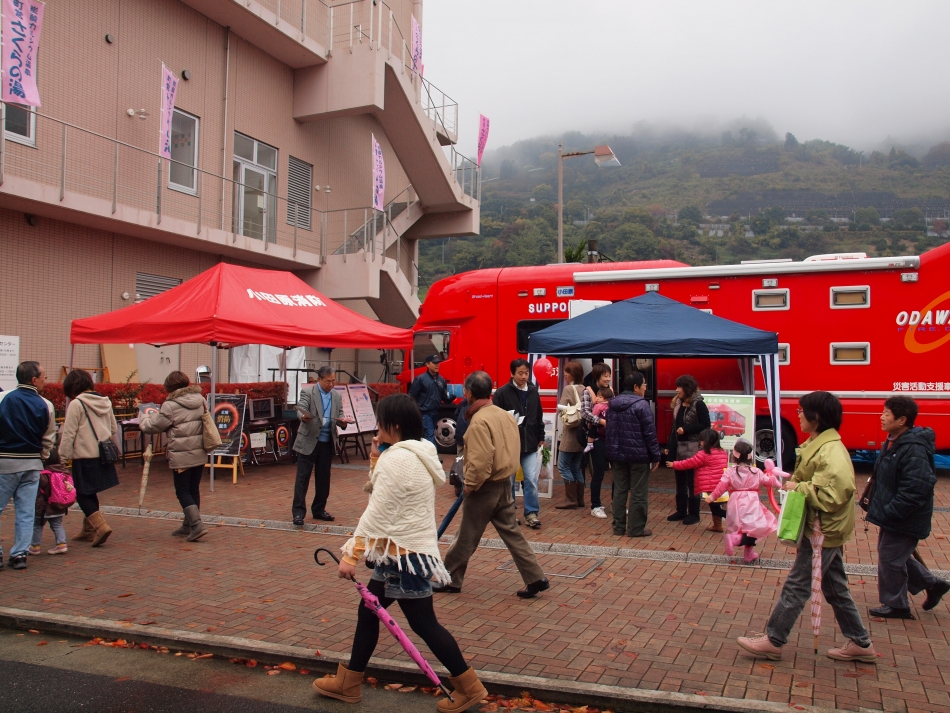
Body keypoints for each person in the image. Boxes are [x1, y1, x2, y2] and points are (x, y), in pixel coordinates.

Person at [313, 394, 487, 713]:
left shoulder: (398, 460)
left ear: (392, 425)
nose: (377, 429)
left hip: (402, 556)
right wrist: (377, 459)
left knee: (424, 623)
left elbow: (377, 512)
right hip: (406, 551)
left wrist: (352, 554)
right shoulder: (418, 452)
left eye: (380, 424)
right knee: (369, 612)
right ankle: (349, 682)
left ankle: (469, 686)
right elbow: (384, 495)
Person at [738, 391, 876, 663]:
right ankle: (860, 642)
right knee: (834, 586)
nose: (798, 413)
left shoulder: (831, 451)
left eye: (802, 410)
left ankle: (774, 638)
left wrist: (797, 486)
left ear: (817, 417)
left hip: (822, 530)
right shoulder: (822, 444)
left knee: (799, 583)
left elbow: (833, 494)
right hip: (825, 529)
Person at [434, 371, 549, 598]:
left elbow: (480, 462)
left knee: (466, 535)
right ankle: (535, 576)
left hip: (484, 487)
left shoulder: (478, 422)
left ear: (468, 393)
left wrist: (470, 485)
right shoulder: (504, 415)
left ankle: (450, 578)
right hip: (504, 483)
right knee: (512, 533)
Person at [865, 396, 949, 618]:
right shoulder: (894, 440)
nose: (881, 417)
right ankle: (933, 584)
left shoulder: (913, 448)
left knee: (890, 557)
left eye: (886, 413)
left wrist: (892, 511)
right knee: (893, 555)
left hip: (905, 516)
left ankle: (898, 605)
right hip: (894, 513)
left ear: (902, 420)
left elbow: (916, 488)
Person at [140, 371, 210, 542]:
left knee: (182, 490)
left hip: (181, 453)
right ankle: (189, 525)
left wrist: (144, 419)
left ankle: (196, 524)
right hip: (199, 450)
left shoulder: (170, 405)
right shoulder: (200, 399)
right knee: (193, 488)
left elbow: (155, 425)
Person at [0, 361, 57, 570]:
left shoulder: (3, 398)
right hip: (32, 462)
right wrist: (40, 457)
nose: (46, 380)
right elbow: (49, 438)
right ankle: (19, 554)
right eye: (44, 376)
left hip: (4, 460)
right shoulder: (46, 404)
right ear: (34, 379)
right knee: (25, 511)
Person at [58, 369, 118, 547]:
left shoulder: (77, 404)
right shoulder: (105, 401)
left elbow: (69, 433)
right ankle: (88, 529)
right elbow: (113, 428)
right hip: (102, 455)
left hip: (84, 456)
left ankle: (100, 527)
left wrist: (62, 458)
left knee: (82, 493)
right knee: (90, 492)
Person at [705, 439, 781, 563]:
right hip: (752, 503)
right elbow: (768, 482)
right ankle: (734, 540)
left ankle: (748, 554)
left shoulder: (730, 471)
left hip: (735, 502)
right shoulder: (756, 471)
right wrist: (772, 476)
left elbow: (722, 486)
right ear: (750, 457)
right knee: (755, 527)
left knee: (745, 528)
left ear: (734, 457)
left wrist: (712, 497)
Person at [292, 366, 351, 525]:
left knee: (324, 479)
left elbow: (339, 414)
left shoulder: (337, 396)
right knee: (302, 478)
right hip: (309, 440)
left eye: (333, 381)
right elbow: (301, 408)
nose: (331, 385)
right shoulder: (308, 392)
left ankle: (319, 509)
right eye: (328, 382)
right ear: (319, 379)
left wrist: (343, 421)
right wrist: (304, 417)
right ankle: (298, 513)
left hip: (327, 442)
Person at [605, 372, 660, 537]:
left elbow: (609, 431)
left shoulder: (612, 404)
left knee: (620, 490)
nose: (645, 388)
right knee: (638, 492)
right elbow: (650, 433)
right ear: (635, 387)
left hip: (617, 455)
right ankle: (636, 528)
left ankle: (618, 527)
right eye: (643, 384)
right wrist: (656, 455)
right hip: (639, 455)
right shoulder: (642, 405)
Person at [492, 359, 545, 529]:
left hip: (529, 444)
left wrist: (540, 435)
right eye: (520, 373)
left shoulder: (533, 391)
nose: (523, 376)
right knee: (508, 481)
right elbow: (496, 419)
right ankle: (509, 514)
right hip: (509, 446)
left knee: (531, 479)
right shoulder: (502, 393)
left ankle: (531, 513)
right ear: (512, 373)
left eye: (526, 373)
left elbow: (538, 416)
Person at [664, 375, 710, 526]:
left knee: (692, 481)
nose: (676, 390)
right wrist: (669, 448)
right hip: (679, 447)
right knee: (680, 480)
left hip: (692, 447)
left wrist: (687, 429)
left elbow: (705, 424)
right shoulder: (678, 403)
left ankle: (694, 513)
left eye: (679, 387)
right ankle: (681, 510)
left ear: (687, 388)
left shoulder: (698, 404)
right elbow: (673, 429)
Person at [667, 427, 728, 533]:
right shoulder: (722, 452)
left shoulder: (704, 454)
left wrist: (674, 464)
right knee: (716, 505)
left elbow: (689, 463)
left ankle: (732, 517)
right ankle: (717, 525)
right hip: (721, 485)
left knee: (715, 507)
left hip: (711, 485)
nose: (700, 442)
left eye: (701, 440)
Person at [582, 363, 613, 519]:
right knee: (598, 473)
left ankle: (617, 504)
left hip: (612, 437)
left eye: (609, 375)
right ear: (597, 376)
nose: (608, 379)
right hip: (598, 438)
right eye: (605, 376)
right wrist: (602, 422)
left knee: (618, 472)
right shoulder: (588, 391)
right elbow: (585, 413)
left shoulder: (610, 391)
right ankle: (595, 505)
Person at [555, 360, 586, 510]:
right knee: (575, 466)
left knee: (562, 466)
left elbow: (561, 409)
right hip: (581, 436)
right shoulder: (585, 389)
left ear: (573, 374)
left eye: (567, 372)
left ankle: (571, 499)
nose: (565, 375)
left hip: (570, 434)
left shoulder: (568, 389)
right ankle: (580, 499)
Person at [408, 355, 453, 447]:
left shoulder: (441, 380)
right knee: (430, 435)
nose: (437, 365)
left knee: (427, 435)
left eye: (438, 363)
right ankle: (434, 458)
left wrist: (452, 397)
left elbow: (445, 398)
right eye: (434, 363)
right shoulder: (420, 379)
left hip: (436, 413)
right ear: (427, 364)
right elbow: (411, 397)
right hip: (424, 413)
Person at [29, 468, 70, 555]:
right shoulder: (63, 473)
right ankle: (62, 544)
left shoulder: (44, 474)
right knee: (57, 525)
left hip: (43, 507)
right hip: (58, 505)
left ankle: (35, 546)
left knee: (37, 525)